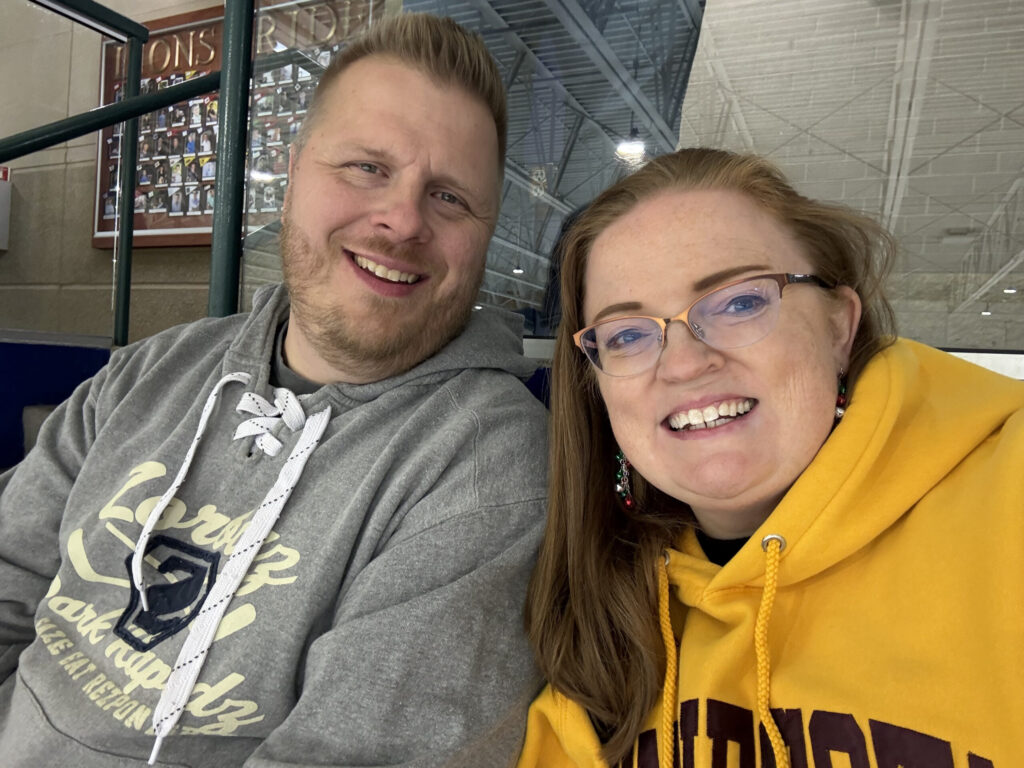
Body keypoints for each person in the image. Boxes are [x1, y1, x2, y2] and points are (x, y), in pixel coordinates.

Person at [0, 13, 548, 767]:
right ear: (293, 173)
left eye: (451, 197)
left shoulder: (488, 471)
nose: (401, 219)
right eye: (366, 167)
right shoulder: (148, 373)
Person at [517, 147, 1024, 768]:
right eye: (627, 334)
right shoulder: (603, 616)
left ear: (840, 326)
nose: (682, 363)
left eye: (738, 302)